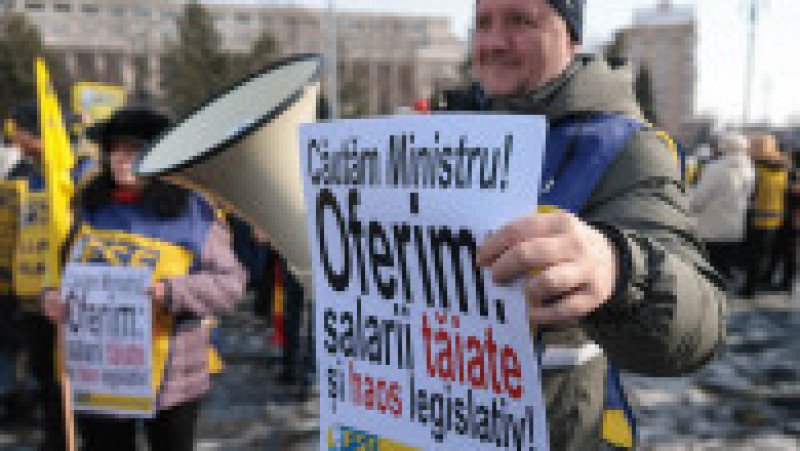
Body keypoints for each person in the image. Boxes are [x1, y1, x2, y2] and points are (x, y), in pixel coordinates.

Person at [449, 1, 726, 449]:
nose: (494, 42)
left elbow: (702, 326)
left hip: (564, 435)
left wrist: (620, 271)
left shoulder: (626, 146)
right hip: (441, 425)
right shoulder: (445, 132)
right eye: (483, 23)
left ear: (571, 35)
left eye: (521, 20)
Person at [41, 107, 246, 451]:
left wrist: (172, 292)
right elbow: (62, 270)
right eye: (115, 149)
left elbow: (231, 282)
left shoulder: (194, 211)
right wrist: (50, 297)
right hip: (102, 374)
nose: (121, 159)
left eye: (134, 150)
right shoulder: (87, 205)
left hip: (173, 379)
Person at [2, 101, 93, 450]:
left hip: (70, 292)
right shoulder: (23, 174)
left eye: (20, 130)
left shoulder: (77, 172)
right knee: (44, 369)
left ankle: (76, 433)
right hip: (31, 294)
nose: (14, 137)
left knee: (70, 372)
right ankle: (56, 436)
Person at [691, 132, 755, 282]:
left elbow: (700, 196)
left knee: (710, 264)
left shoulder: (716, 168)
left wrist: (689, 209)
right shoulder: (749, 169)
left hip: (712, 225)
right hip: (735, 226)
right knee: (724, 264)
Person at [742, 133, 789, 297]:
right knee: (765, 255)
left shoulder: (756, 169)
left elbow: (748, 192)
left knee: (753, 255)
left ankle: (749, 288)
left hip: (756, 217)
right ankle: (759, 283)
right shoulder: (782, 168)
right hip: (776, 218)